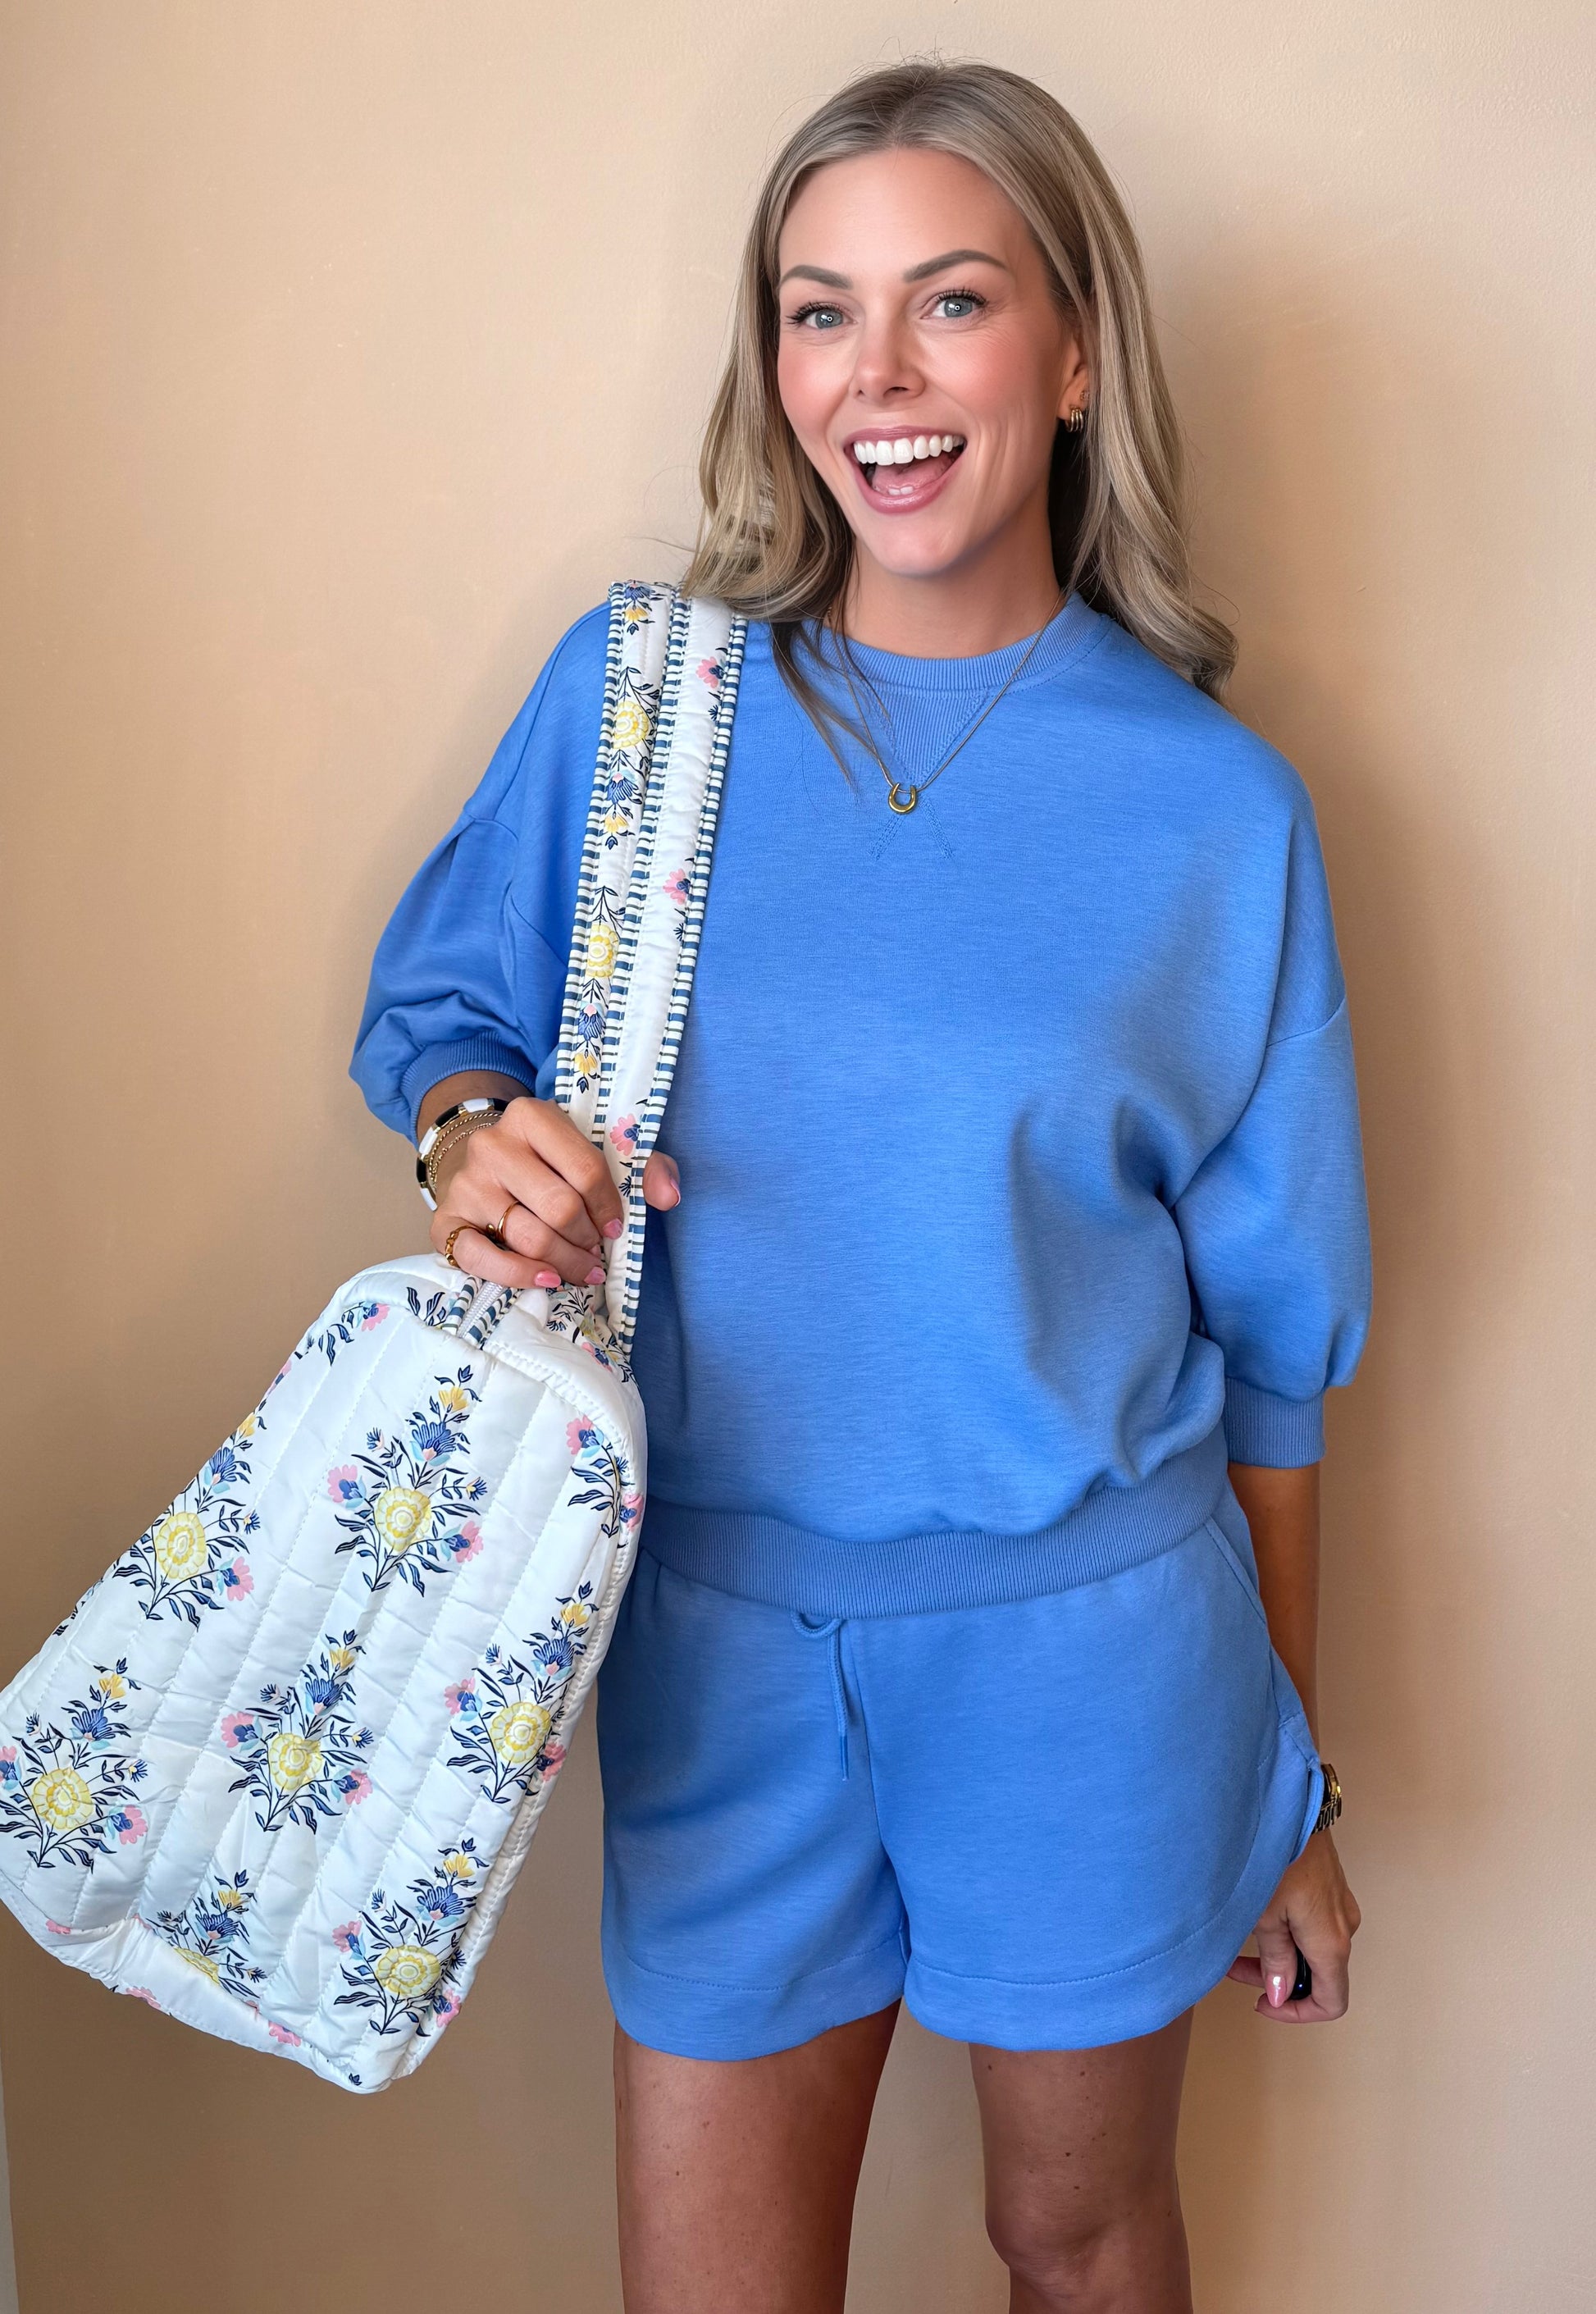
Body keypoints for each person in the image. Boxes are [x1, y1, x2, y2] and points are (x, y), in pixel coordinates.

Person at [351, 58, 1370, 2314]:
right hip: (707, 1646)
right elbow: (438, 1020)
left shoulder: (1213, 812)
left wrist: (1282, 1784)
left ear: (1074, 350)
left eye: (950, 304)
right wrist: (468, 1143)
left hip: (1098, 1659)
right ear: (773, 361)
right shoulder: (642, 708)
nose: (877, 380)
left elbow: (1279, 1360)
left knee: (1078, 2250)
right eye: (818, 314)